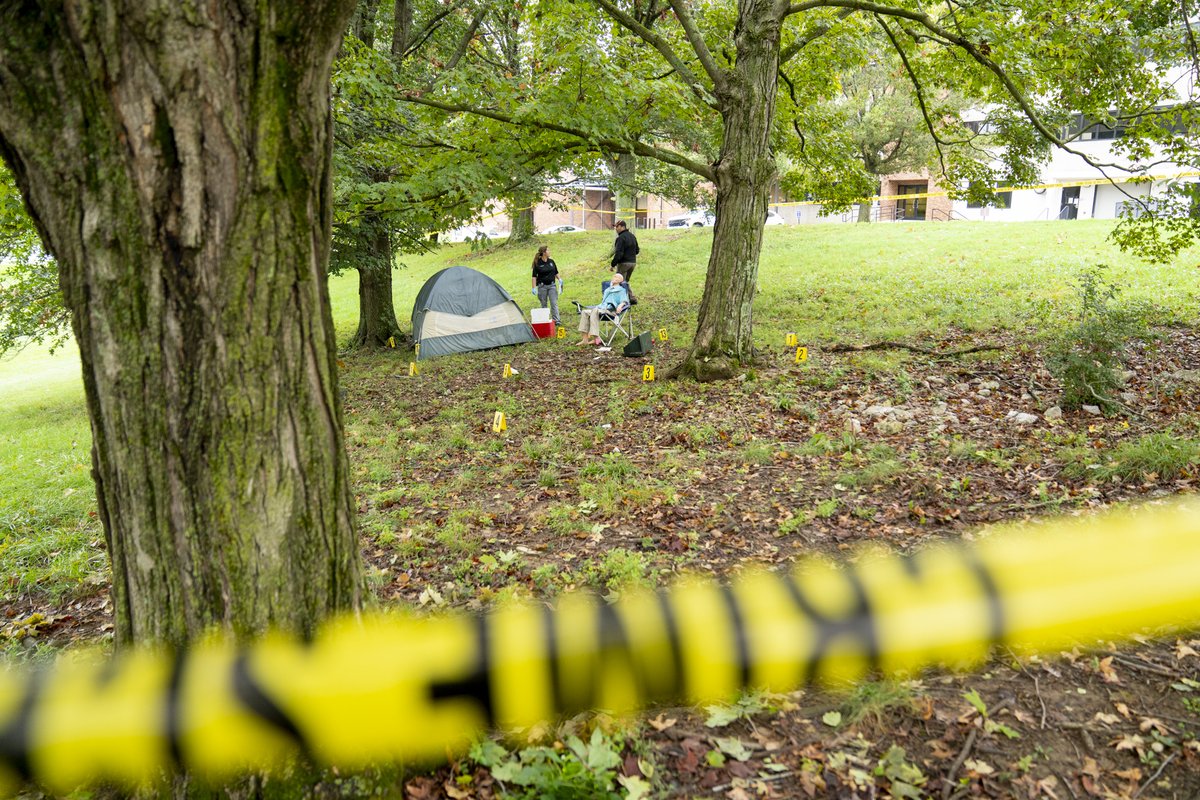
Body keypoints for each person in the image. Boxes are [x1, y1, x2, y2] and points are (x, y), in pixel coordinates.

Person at [576, 273, 629, 346]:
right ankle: (585, 340)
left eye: (617, 277)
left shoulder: (621, 290)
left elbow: (624, 300)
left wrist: (620, 305)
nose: (614, 277)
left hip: (610, 310)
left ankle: (596, 338)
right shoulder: (607, 290)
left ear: (621, 280)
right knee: (585, 312)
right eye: (614, 276)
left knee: (595, 310)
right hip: (601, 309)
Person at [530, 245, 560, 323]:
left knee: (554, 303)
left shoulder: (551, 261)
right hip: (542, 286)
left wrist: (560, 279)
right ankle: (545, 320)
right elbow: (534, 277)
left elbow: (556, 272)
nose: (549, 252)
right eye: (548, 250)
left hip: (552, 286)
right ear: (544, 252)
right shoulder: (537, 263)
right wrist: (533, 287)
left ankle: (556, 320)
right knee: (544, 304)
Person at [611, 220, 639, 301]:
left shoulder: (620, 238)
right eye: (615, 227)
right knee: (624, 281)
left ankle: (627, 299)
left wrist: (613, 264)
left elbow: (619, 253)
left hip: (623, 263)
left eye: (617, 226)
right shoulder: (632, 236)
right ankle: (630, 298)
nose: (616, 228)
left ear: (622, 227)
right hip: (632, 263)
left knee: (619, 281)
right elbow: (637, 250)